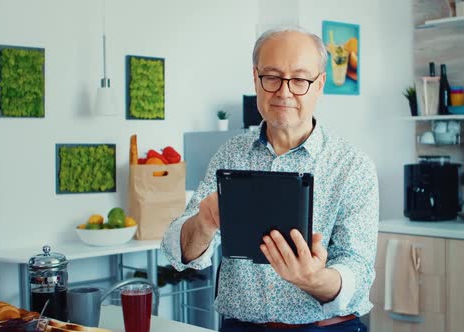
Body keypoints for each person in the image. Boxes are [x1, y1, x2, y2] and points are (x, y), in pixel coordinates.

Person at [162, 26, 379, 331]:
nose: (284, 92)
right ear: (255, 78)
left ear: (320, 85)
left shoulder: (353, 166)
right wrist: (204, 223)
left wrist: (314, 280)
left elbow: (357, 269)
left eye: (300, 80)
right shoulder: (229, 155)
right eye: (272, 77)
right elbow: (181, 251)